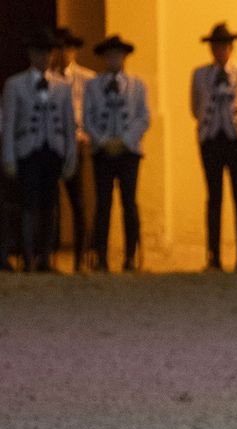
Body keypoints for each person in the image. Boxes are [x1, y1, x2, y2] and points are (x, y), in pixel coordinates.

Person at [2, 30, 77, 272]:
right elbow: (9, 124)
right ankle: (28, 258)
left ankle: (45, 257)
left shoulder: (63, 86)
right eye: (38, 52)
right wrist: (9, 157)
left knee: (50, 206)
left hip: (52, 150)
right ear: (30, 55)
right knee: (29, 205)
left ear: (52, 55)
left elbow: (69, 125)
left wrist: (70, 157)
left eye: (47, 52)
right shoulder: (15, 84)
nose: (43, 57)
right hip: (28, 151)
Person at [191, 23, 237, 271]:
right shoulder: (200, 74)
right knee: (214, 198)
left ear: (231, 48)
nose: (218, 51)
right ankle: (213, 255)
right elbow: (195, 106)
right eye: (215, 46)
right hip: (211, 139)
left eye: (222, 46)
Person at [82, 35, 148, 272]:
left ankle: (130, 256)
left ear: (124, 57)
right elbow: (87, 117)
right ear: (104, 58)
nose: (114, 59)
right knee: (103, 204)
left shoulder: (138, 85)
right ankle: (101, 256)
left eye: (118, 55)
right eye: (110, 55)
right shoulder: (92, 85)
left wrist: (125, 140)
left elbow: (144, 118)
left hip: (128, 152)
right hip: (103, 152)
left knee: (129, 204)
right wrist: (103, 141)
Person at [49, 27, 94, 271]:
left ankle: (81, 257)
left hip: (78, 145)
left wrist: (87, 135)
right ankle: (48, 256)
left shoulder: (88, 78)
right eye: (61, 48)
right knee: (51, 202)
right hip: (53, 145)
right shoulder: (47, 79)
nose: (65, 52)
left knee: (80, 203)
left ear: (74, 51)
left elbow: (95, 113)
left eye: (69, 47)